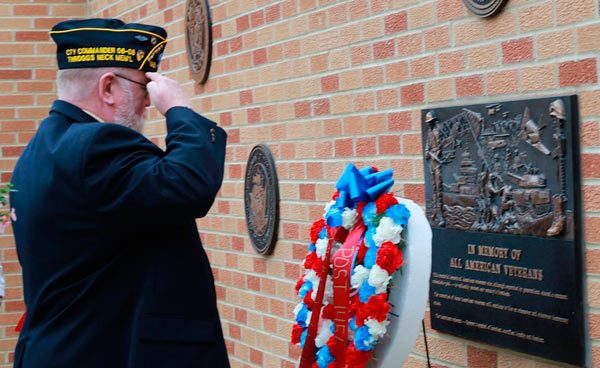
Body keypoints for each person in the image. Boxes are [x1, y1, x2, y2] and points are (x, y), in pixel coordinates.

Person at [10, 18, 229, 367]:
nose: (147, 102)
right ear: (108, 87)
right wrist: (178, 109)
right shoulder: (97, 144)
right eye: (144, 86)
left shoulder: (39, 152)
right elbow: (189, 185)